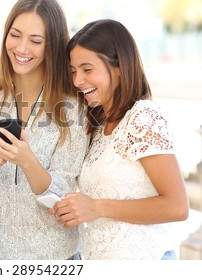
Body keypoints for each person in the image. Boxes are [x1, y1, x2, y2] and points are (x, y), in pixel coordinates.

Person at [0, 0, 88, 260]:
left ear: (52, 46)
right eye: (15, 35)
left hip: (54, 257)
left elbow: (63, 193)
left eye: (36, 41)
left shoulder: (74, 105)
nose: (22, 48)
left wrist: (28, 161)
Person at [54, 19, 189, 259]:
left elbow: (177, 207)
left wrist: (96, 207)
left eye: (87, 69)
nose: (77, 81)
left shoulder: (142, 117)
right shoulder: (99, 124)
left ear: (119, 67)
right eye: (73, 71)